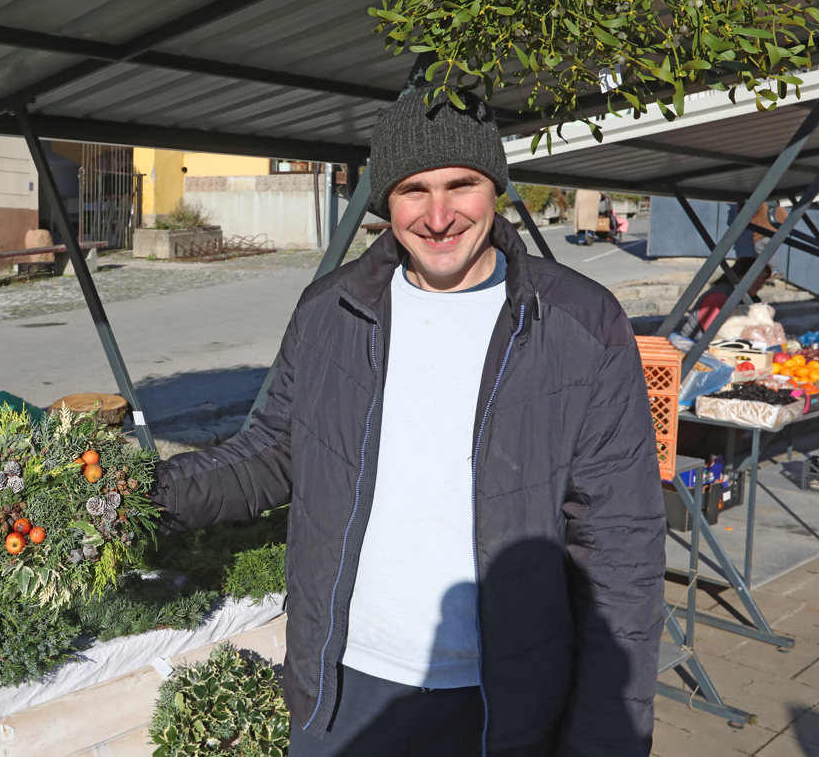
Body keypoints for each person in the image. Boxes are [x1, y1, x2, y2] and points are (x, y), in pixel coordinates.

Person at [150, 82, 666, 757]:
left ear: (496, 189)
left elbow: (619, 546)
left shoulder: (577, 323)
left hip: (497, 707)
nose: (440, 214)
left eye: (462, 184)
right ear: (385, 201)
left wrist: (604, 740)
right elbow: (274, 451)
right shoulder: (331, 310)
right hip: (341, 694)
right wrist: (132, 499)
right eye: (413, 189)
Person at [679, 256, 771, 340]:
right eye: (756, 277)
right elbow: (718, 334)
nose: (760, 283)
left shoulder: (749, 299)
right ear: (739, 275)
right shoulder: (718, 296)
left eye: (763, 279)